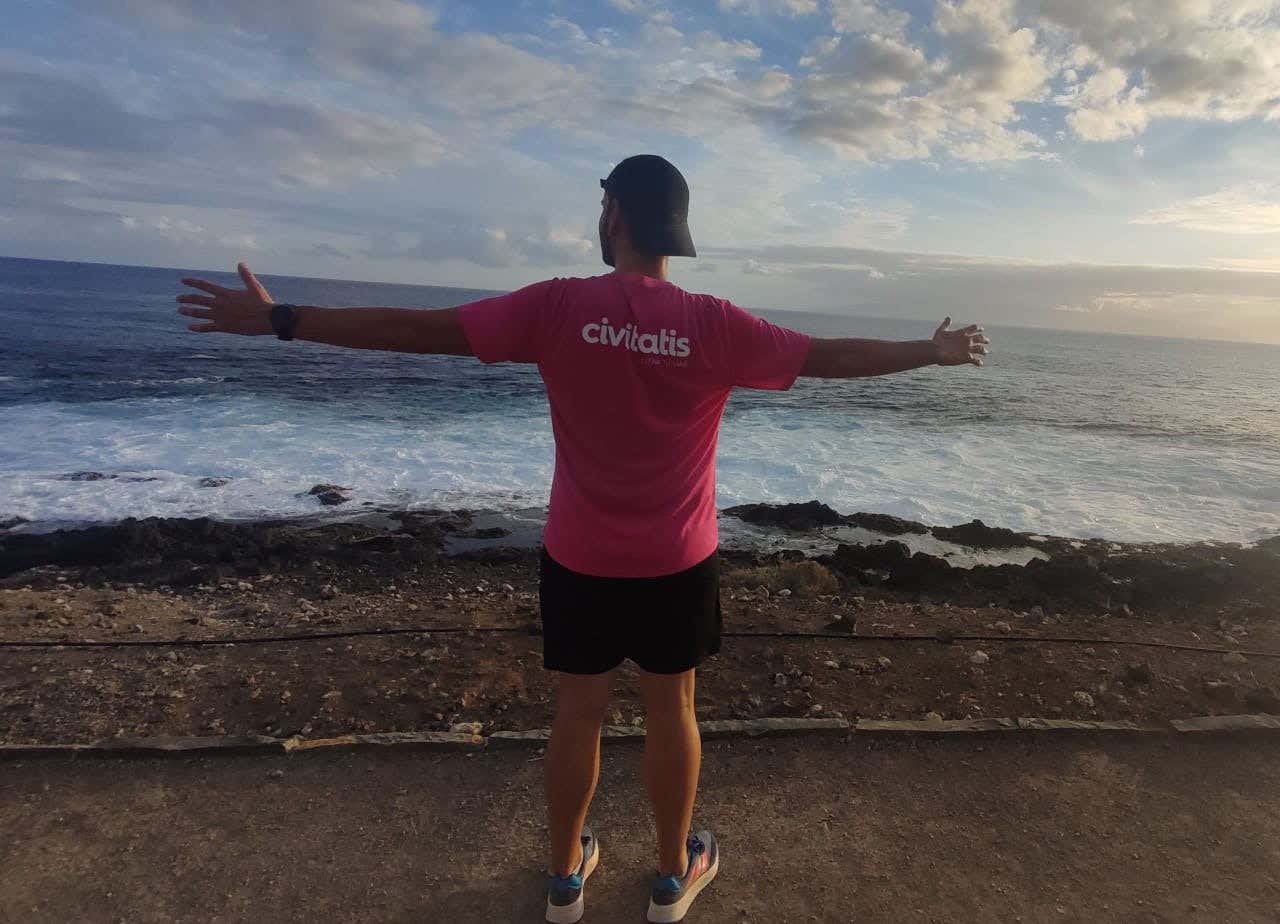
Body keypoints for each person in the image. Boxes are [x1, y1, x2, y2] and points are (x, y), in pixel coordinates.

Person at [175, 153, 990, 923]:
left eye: (603, 205)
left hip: (579, 557)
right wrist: (931, 351)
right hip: (678, 561)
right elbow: (829, 356)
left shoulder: (558, 307)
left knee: (578, 715)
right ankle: (673, 876)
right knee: (673, 711)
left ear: (615, 217)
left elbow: (418, 331)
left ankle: (567, 877)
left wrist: (283, 319)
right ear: (677, 230)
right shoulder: (715, 325)